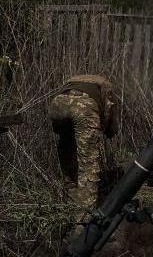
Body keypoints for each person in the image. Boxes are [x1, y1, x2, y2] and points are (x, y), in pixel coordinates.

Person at [48, 74, 121, 209]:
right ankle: (84, 217)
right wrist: (107, 130)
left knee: (67, 150)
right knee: (88, 163)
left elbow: (57, 129)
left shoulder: (72, 80)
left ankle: (70, 201)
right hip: (83, 108)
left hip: (57, 104)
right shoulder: (106, 85)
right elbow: (111, 119)